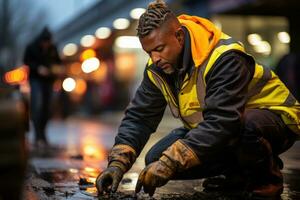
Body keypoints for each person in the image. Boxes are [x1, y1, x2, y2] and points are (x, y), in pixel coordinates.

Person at [96, 0, 300, 198]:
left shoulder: (224, 57)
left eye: (159, 49)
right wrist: (117, 164)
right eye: (149, 52)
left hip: (278, 120)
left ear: (179, 36)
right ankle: (236, 177)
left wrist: (170, 163)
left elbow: (223, 121)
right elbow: (140, 117)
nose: (154, 58)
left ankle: (264, 183)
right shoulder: (158, 68)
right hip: (225, 126)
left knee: (245, 127)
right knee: (156, 158)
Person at [23, 27, 62, 148]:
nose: (46, 45)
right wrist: (38, 68)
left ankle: (43, 134)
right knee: (37, 105)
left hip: (49, 81)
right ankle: (37, 135)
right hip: (36, 80)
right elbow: (26, 61)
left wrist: (56, 69)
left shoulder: (53, 48)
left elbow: (58, 62)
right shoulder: (31, 47)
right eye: (45, 42)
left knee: (47, 107)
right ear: (41, 41)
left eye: (48, 42)